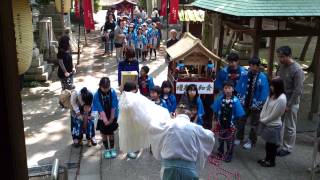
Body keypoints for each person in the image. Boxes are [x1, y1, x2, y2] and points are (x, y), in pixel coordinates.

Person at [118, 92, 215, 180]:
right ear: (191, 115)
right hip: (188, 168)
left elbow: (151, 127)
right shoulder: (196, 128)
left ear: (175, 113)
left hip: (169, 167)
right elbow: (210, 137)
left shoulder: (167, 124)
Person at [275, 46, 304, 157]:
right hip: (280, 98)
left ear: (289, 56)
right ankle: (278, 142)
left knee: (290, 125)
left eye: (282, 57)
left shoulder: (297, 70)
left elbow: (298, 90)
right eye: (279, 57)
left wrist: (289, 104)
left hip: (292, 101)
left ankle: (288, 147)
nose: (280, 59)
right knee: (279, 122)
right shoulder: (281, 65)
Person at [235, 57, 269, 149]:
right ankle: (239, 137)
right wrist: (240, 99)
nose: (251, 67)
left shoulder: (262, 77)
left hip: (256, 105)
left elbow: (264, 92)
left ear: (258, 66)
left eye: (253, 65)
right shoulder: (244, 74)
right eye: (250, 65)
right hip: (244, 102)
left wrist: (258, 103)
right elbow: (239, 87)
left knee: (254, 124)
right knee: (241, 121)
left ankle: (251, 140)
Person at [211, 81, 245, 162]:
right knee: (221, 139)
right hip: (221, 123)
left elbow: (239, 114)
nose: (227, 90)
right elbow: (216, 110)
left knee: (230, 141)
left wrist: (235, 125)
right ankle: (220, 152)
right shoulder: (220, 99)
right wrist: (216, 120)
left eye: (229, 88)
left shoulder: (236, 101)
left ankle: (229, 154)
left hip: (231, 124)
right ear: (223, 89)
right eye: (225, 88)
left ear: (233, 89)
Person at [258, 78, 287, 167]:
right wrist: (262, 116)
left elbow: (275, 114)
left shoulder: (281, 98)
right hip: (266, 123)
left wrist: (264, 120)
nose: (271, 87)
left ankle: (271, 161)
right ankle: (266, 159)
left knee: (272, 146)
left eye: (273, 86)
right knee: (268, 144)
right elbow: (265, 106)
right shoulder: (272, 95)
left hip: (274, 125)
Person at [93, 77, 119, 159]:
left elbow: (114, 106)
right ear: (100, 86)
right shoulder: (97, 95)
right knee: (104, 134)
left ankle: (112, 148)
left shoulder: (112, 92)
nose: (106, 90)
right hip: (102, 118)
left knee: (111, 133)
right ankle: (107, 150)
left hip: (112, 115)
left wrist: (111, 119)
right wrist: (105, 120)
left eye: (107, 88)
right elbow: (99, 108)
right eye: (104, 88)